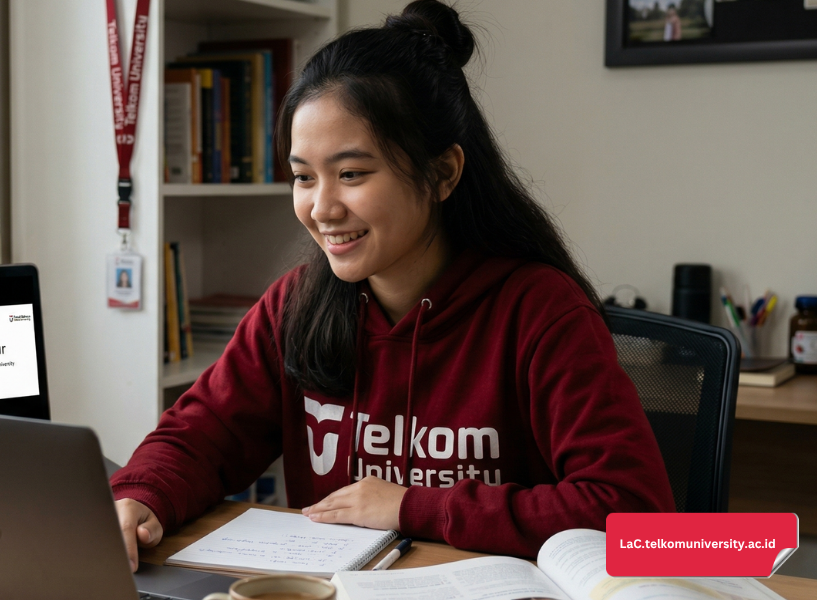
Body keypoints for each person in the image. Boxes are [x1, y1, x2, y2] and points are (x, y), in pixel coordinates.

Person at [109, 0, 674, 572]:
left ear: (443, 173)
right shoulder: (296, 305)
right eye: (304, 177)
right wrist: (140, 495)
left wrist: (412, 506)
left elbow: (635, 514)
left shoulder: (538, 311)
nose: (321, 207)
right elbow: (200, 437)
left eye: (352, 173)